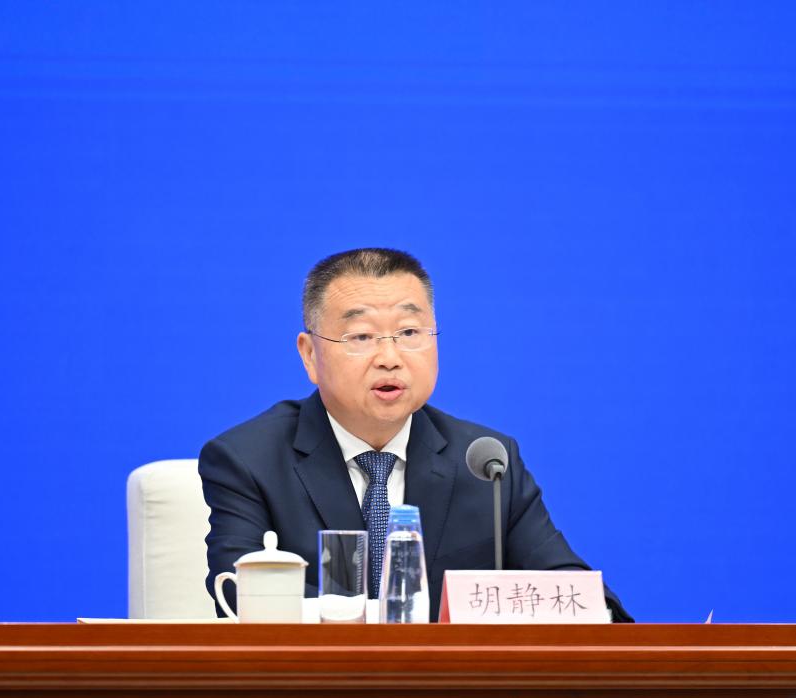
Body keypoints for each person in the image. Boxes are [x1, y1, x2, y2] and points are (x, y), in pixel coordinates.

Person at [199, 248, 632, 622]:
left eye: (409, 333)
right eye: (361, 336)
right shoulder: (247, 460)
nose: (390, 357)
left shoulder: (487, 463)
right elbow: (241, 598)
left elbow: (573, 592)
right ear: (310, 355)